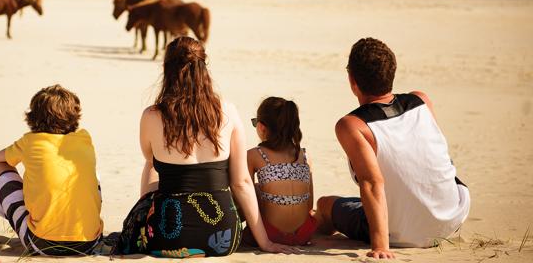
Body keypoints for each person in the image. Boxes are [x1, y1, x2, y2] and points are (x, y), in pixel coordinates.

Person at [117, 36, 296, 257]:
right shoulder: (228, 111)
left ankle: (148, 217)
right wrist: (265, 241)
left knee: (152, 164)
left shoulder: (152, 115)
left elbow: (150, 159)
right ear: (204, 68)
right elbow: (241, 183)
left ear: (167, 69)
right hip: (222, 237)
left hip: (166, 237)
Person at [316, 38, 471, 259]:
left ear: (352, 80)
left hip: (403, 233)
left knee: (325, 206)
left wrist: (381, 246)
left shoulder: (352, 126)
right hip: (452, 218)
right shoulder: (421, 100)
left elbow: (372, 183)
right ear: (392, 73)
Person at [0, 84, 103, 256]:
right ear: (75, 116)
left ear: (33, 117)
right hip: (89, 243)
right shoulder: (85, 139)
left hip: (42, 243)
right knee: (90, 175)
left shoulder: (31, 142)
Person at [245, 97, 316, 246]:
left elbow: (245, 197)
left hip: (270, 233)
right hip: (304, 233)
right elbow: (309, 205)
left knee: (251, 188)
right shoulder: (304, 156)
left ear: (261, 127)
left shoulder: (254, 155)